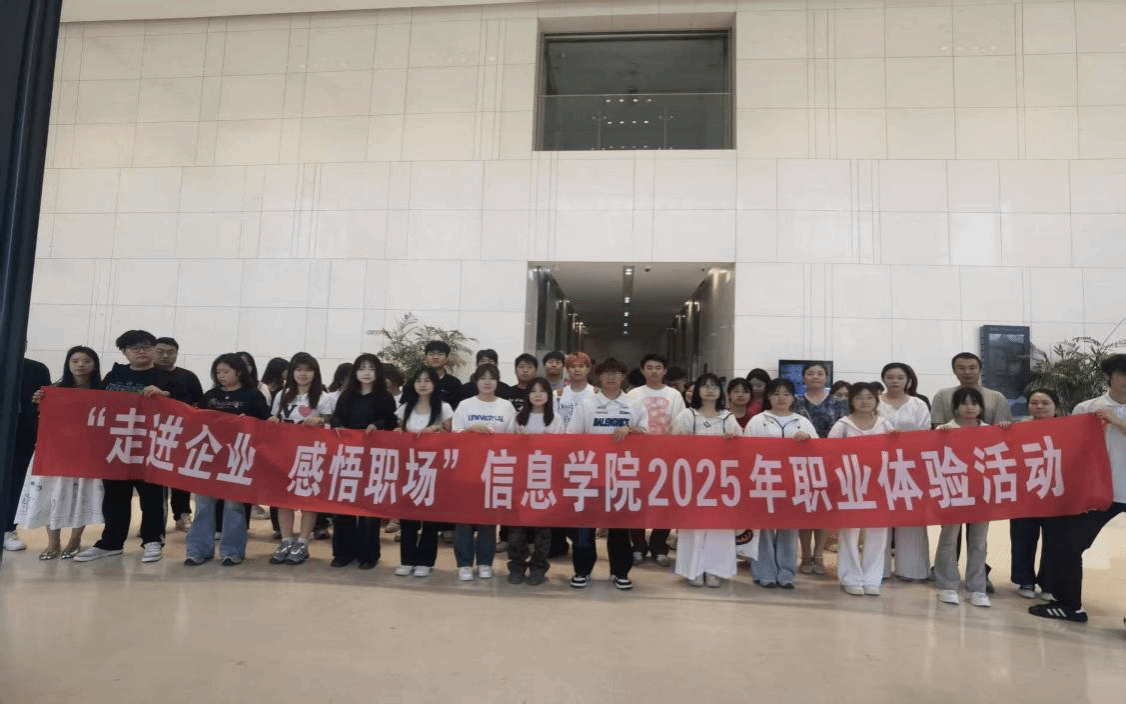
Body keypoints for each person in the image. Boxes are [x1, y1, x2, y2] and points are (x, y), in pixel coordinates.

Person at [74, 330, 188, 564]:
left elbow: (185, 410)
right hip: (117, 446)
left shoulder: (168, 377)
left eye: (146, 347)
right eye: (135, 348)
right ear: (124, 352)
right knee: (114, 497)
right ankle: (111, 542)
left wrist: (165, 395)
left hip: (150, 449)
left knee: (152, 497)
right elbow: (95, 403)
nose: (141, 351)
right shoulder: (115, 374)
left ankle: (153, 540)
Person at [1030, 354, 1126, 623]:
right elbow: (1071, 449)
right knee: (1067, 545)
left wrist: (1116, 421)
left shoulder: (1106, 413)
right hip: (1100, 492)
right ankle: (1069, 605)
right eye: (1122, 374)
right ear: (1109, 376)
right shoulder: (1087, 408)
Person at [565, 357, 648, 590]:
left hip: (622, 475)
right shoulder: (587, 404)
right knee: (585, 527)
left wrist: (631, 429)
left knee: (619, 528)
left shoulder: (634, 404)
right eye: (606, 373)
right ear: (599, 377)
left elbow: (647, 436)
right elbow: (572, 437)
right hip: (590, 475)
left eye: (616, 373)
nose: (611, 377)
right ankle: (582, 570)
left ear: (623, 377)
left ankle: (620, 572)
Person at [14, 347, 103, 559]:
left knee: (82, 495)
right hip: (54, 452)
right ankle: (53, 543)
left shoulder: (103, 392)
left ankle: (75, 540)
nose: (80, 365)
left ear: (95, 365)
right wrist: (39, 402)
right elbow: (39, 420)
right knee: (51, 494)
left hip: (87, 453)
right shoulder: (53, 390)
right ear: (68, 364)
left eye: (86, 361)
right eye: (75, 360)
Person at [185, 354, 271, 567]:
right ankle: (198, 550)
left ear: (239, 372)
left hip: (237, 457)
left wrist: (249, 422)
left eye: (226, 372)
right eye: (218, 372)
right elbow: (197, 420)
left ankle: (232, 551)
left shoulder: (253, 395)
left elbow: (265, 425)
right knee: (203, 504)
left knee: (234, 505)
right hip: (209, 456)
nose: (221, 376)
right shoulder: (210, 395)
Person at [744, 378, 816, 589]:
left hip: (793, 483)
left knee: (789, 528)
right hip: (764, 480)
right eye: (776, 394)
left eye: (786, 394)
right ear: (768, 396)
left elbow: (818, 451)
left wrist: (808, 440)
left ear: (793, 397)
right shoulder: (757, 421)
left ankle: (786, 572)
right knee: (764, 529)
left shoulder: (802, 422)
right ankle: (764, 572)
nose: (781, 398)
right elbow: (746, 451)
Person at [329, 354, 398, 570]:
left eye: (371, 368)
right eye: (362, 368)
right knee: (344, 506)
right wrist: (338, 426)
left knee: (368, 508)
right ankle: (343, 553)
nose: (366, 373)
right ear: (355, 372)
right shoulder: (346, 396)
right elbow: (336, 417)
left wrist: (378, 424)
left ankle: (368, 554)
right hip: (348, 456)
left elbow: (391, 422)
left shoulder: (385, 397)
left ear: (378, 372)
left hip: (373, 458)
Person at [672, 373, 739, 588]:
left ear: (720, 392)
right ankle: (693, 570)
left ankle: (714, 570)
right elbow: (674, 446)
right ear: (697, 391)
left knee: (719, 528)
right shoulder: (687, 415)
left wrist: (732, 440)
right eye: (705, 386)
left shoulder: (728, 417)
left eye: (714, 386)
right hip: (692, 480)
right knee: (693, 527)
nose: (710, 390)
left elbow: (741, 447)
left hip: (722, 480)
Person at [828, 383, 895, 596]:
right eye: (859, 397)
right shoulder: (842, 425)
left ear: (876, 400)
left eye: (869, 397)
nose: (864, 402)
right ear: (851, 401)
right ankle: (851, 578)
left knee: (878, 532)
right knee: (849, 532)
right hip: (851, 485)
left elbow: (896, 452)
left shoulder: (885, 424)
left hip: (879, 484)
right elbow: (829, 453)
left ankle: (872, 579)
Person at [266, 352, 333, 566]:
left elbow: (332, 425)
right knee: (283, 499)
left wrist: (320, 421)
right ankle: (286, 540)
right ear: (291, 372)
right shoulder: (282, 394)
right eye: (298, 369)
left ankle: (303, 542)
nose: (303, 374)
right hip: (285, 452)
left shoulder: (323, 397)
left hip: (310, 454)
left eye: (308, 370)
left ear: (315, 373)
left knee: (307, 498)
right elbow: (275, 418)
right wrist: (273, 419)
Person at [452, 363, 517, 581]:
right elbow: (454, 435)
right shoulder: (465, 405)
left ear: (497, 381)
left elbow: (513, 437)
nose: (487, 382)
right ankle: (463, 563)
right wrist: (469, 430)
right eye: (483, 378)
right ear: (476, 381)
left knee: (488, 517)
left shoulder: (506, 406)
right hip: (467, 468)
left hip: (495, 468)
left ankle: (485, 562)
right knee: (464, 518)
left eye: (492, 378)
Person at [934, 387, 991, 607]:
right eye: (964, 403)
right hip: (953, 490)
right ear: (955, 407)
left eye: (974, 403)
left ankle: (977, 587)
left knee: (979, 541)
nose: (969, 408)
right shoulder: (944, 429)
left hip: (981, 492)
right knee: (949, 538)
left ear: (981, 407)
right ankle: (947, 585)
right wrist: (941, 437)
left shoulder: (990, 430)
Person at [393, 368, 453, 577]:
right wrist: (398, 433)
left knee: (430, 516)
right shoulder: (405, 408)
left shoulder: (444, 408)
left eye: (427, 380)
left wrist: (437, 430)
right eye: (418, 380)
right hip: (409, 467)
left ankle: (425, 561)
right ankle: (407, 560)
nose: (423, 384)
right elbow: (400, 433)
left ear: (435, 384)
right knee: (407, 515)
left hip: (434, 468)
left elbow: (451, 436)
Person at [505, 377, 565, 585]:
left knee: (542, 528)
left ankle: (539, 567)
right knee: (517, 527)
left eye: (542, 390)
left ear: (549, 395)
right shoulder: (518, 418)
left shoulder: (555, 419)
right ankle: (517, 565)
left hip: (544, 479)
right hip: (520, 479)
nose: (538, 395)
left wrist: (545, 443)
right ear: (527, 395)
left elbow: (561, 450)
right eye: (533, 391)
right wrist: (520, 443)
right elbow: (506, 446)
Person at [626, 353, 685, 565]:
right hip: (639, 456)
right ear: (642, 370)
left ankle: (660, 546)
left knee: (664, 502)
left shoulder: (674, 395)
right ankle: (638, 545)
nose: (653, 371)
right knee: (637, 502)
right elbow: (627, 421)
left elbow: (680, 424)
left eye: (658, 367)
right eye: (649, 367)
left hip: (666, 456)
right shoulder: (633, 394)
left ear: (665, 371)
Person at [877, 362, 933, 582]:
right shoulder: (875, 402)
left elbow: (925, 432)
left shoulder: (918, 404)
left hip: (911, 465)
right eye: (890, 377)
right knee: (880, 517)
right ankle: (877, 569)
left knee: (910, 515)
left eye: (900, 377)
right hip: (879, 465)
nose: (895, 381)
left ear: (908, 380)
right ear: (884, 379)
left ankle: (911, 569)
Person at [793, 362, 847, 575]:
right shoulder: (795, 402)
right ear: (803, 378)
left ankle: (819, 555)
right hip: (802, 462)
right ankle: (806, 554)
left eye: (820, 373)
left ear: (826, 378)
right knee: (805, 510)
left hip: (830, 461)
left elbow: (846, 429)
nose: (815, 376)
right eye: (810, 373)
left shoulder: (839, 402)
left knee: (825, 509)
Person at [1010, 388, 1061, 599]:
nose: (1039, 407)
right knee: (1022, 537)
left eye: (1045, 403)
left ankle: (1050, 583)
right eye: (1034, 403)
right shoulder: (1018, 428)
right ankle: (1025, 580)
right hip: (1026, 492)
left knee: (1055, 541)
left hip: (1057, 494)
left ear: (1056, 407)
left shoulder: (1068, 428)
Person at [2, 352, 52, 552]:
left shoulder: (37, 368)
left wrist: (41, 400)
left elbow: (48, 401)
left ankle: (8, 530)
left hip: (23, 434)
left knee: (15, 483)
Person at [154, 337, 204, 533]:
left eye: (170, 352)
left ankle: (182, 514)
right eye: (160, 352)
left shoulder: (188, 377)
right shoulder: (146, 375)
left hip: (181, 433)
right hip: (152, 434)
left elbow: (199, 404)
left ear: (176, 353)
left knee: (180, 476)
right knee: (153, 479)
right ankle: (153, 519)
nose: (165, 356)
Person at [931, 352, 1012, 426]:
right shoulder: (942, 395)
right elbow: (937, 427)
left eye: (972, 368)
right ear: (954, 371)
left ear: (980, 370)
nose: (967, 372)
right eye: (961, 368)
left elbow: (1001, 428)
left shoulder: (997, 397)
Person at [424, 340, 463, 409]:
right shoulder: (415, 382)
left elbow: (458, 409)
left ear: (447, 359)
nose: (435, 357)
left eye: (440, 354)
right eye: (431, 354)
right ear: (426, 358)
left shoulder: (454, 383)